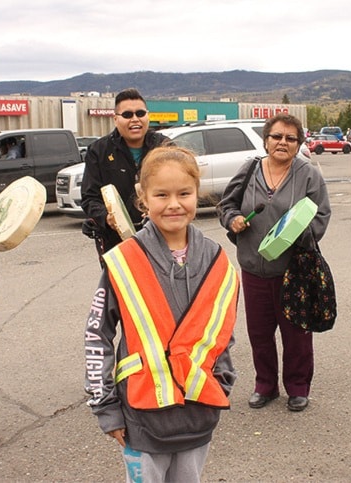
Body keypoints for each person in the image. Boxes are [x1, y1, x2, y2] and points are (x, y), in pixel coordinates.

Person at [84, 146, 238, 483]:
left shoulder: (217, 259)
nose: (174, 204)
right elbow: (97, 335)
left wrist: (223, 382)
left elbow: (223, 333)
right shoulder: (123, 260)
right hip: (141, 419)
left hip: (199, 413)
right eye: (161, 195)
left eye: (184, 193)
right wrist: (106, 408)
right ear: (143, 198)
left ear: (198, 194)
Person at [217, 113, 331, 412]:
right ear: (266, 139)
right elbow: (226, 205)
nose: (283, 142)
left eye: (290, 138)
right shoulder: (250, 168)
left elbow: (320, 217)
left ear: (298, 144)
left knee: (296, 333)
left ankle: (297, 388)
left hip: (293, 270)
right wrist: (233, 220)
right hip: (254, 268)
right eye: (277, 136)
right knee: (259, 332)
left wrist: (294, 234)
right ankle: (265, 386)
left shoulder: (309, 175)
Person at [80, 88, 170, 264]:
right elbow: (90, 198)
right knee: (120, 289)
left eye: (140, 113)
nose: (135, 119)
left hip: (160, 237)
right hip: (115, 242)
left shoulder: (164, 146)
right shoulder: (98, 151)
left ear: (148, 116)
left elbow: (177, 188)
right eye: (127, 114)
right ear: (116, 119)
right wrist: (107, 217)